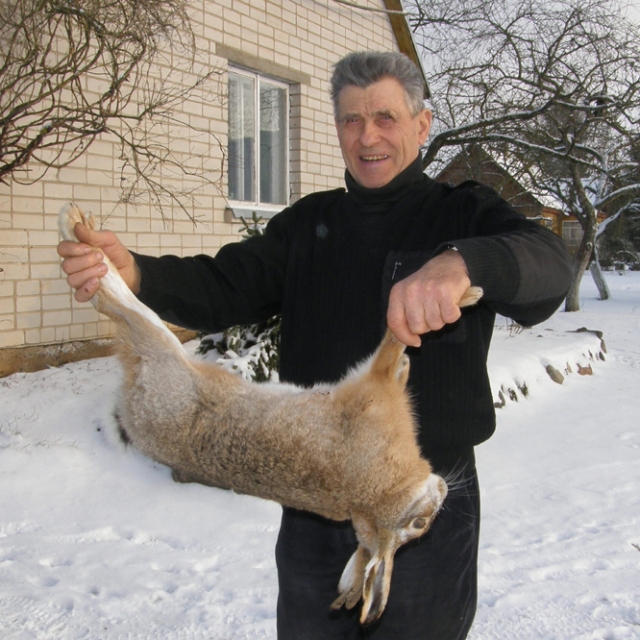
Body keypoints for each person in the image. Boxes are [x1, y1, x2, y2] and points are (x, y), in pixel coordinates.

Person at [58, 51, 572, 639]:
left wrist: (462, 261)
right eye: (351, 120)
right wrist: (135, 273)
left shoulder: (464, 211)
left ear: (422, 125)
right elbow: (223, 285)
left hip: (418, 508)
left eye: (385, 117)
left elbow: (548, 265)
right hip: (314, 496)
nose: (368, 136)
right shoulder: (307, 223)